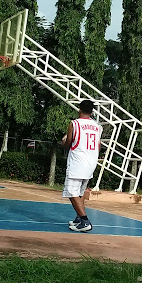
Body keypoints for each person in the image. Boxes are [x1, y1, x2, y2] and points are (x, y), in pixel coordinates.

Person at [62, 99, 103, 232]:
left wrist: (64, 141)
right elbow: (99, 145)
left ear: (79, 109)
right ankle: (79, 219)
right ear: (92, 112)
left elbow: (68, 143)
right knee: (79, 193)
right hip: (91, 162)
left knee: (72, 192)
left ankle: (85, 221)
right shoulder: (97, 126)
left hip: (77, 163)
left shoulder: (74, 124)